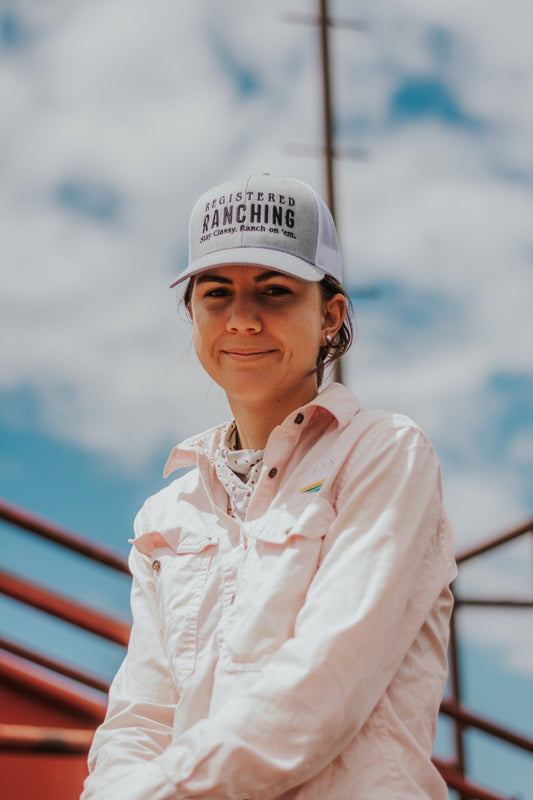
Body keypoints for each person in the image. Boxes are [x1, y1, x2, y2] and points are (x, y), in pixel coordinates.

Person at [82, 174, 457, 800]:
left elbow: (326, 684)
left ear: (330, 315)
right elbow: (140, 717)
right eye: (217, 294)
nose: (243, 321)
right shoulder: (169, 511)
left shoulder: (384, 453)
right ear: (193, 314)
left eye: (275, 292)